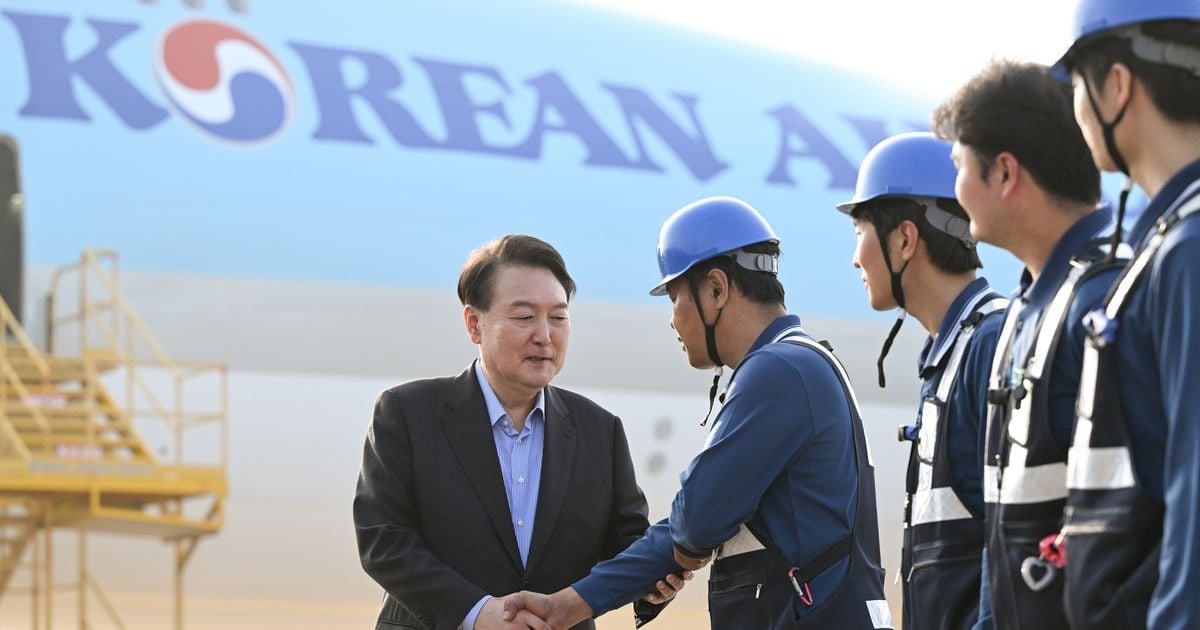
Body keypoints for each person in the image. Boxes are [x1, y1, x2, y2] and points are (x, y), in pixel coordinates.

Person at [501, 196, 891, 629]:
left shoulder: (776, 371)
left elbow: (696, 521)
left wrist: (573, 601)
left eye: (674, 298)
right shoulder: (801, 362)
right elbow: (695, 528)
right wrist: (570, 605)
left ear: (717, 289)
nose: (672, 321)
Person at [353, 234, 685, 630]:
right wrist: (477, 613)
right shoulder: (408, 414)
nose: (545, 335)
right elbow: (384, 541)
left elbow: (625, 543)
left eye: (559, 317)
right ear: (474, 324)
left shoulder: (600, 430)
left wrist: (652, 579)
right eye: (524, 317)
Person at [931, 60, 1124, 630]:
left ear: (1006, 174)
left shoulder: (1106, 303)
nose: (955, 189)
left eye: (960, 167)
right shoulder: (1023, 313)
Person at [1051, 1, 1200, 627]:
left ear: (1117, 85)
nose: (1076, 109)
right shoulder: (1169, 241)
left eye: (1080, 85)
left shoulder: (1188, 251)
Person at [838, 132, 1007, 630]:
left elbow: (1009, 545)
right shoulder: (951, 353)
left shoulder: (989, 345)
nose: (855, 259)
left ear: (906, 240)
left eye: (860, 232)